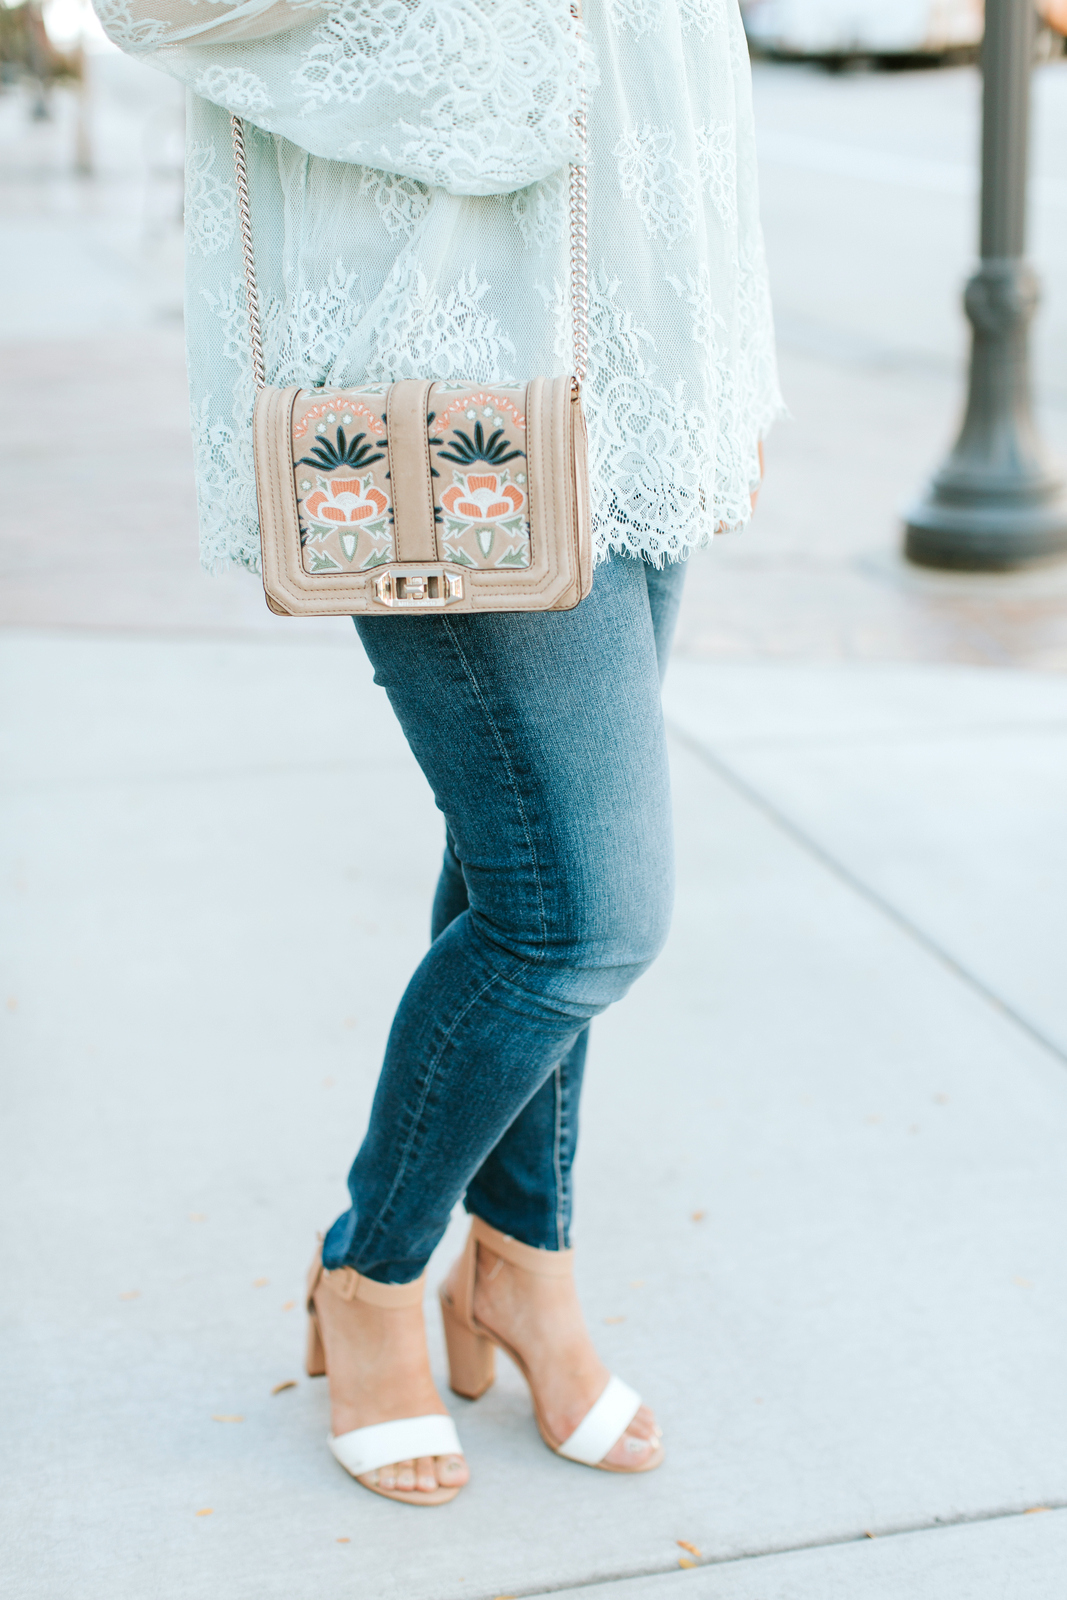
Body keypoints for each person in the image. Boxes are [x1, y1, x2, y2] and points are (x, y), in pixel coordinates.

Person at [95, 0, 782, 1505]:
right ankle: (374, 1269)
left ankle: (523, 1269)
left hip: (635, 338)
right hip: (445, 354)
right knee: (581, 916)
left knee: (517, 863)